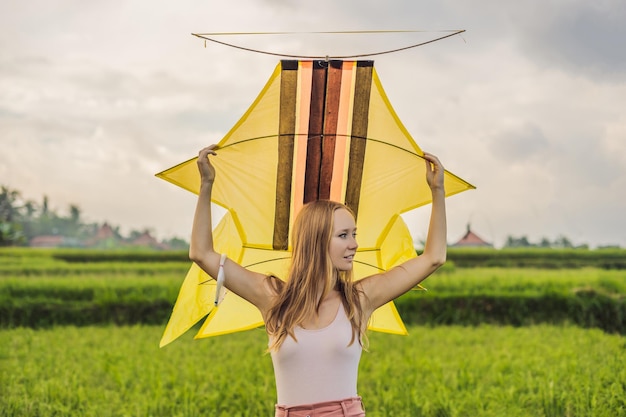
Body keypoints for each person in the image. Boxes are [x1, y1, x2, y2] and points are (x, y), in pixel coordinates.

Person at [189, 144, 447, 417]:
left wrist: (437, 191)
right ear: (317, 240)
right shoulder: (273, 297)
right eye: (344, 235)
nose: (355, 244)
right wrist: (206, 183)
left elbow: (433, 257)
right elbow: (202, 253)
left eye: (355, 234)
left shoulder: (359, 299)